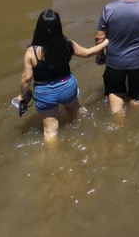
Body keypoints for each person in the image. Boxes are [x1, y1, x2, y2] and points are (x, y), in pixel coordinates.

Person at [18, 9, 108, 142]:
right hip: (67, 86)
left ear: (39, 28)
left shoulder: (31, 51)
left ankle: (53, 160)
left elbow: (26, 78)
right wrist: (106, 42)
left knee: (50, 131)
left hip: (45, 92)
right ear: (58, 27)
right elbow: (88, 53)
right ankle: (85, 136)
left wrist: (22, 95)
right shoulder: (67, 44)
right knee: (75, 112)